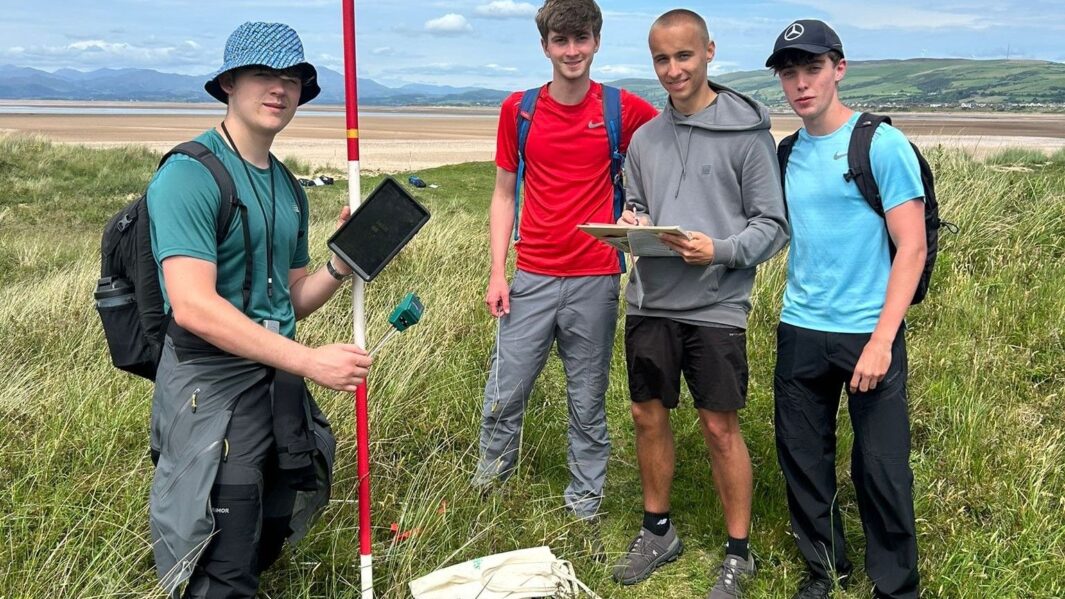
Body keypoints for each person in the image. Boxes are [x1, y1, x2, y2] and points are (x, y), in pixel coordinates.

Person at [146, 21, 373, 598]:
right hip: (209, 388)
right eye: (262, 76)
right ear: (228, 84)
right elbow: (194, 307)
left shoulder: (288, 188)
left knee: (270, 525)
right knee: (217, 551)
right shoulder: (189, 175)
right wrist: (310, 361)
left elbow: (290, 298)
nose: (279, 89)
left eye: (292, 78)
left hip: (275, 387)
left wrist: (340, 265)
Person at [610, 10, 788, 599]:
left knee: (718, 426)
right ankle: (657, 529)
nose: (672, 70)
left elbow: (773, 227)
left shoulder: (749, 136)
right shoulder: (645, 138)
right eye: (661, 59)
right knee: (646, 414)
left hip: (716, 307)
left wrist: (721, 250)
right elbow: (638, 202)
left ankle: (739, 552)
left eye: (683, 56)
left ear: (709, 51)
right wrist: (631, 223)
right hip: (650, 301)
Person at [473, 0, 658, 522]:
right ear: (545, 46)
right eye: (561, 40)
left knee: (587, 401)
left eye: (581, 39)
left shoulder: (625, 109)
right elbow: (504, 194)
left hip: (596, 279)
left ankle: (584, 505)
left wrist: (643, 215)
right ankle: (489, 491)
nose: (572, 50)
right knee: (504, 393)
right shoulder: (520, 109)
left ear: (596, 41)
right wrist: (496, 272)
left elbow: (675, 144)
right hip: (529, 275)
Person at [765, 19, 926, 599]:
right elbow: (768, 229)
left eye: (812, 68)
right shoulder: (787, 153)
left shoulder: (879, 143)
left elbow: (912, 246)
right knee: (804, 459)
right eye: (789, 73)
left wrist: (883, 340)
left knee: (881, 468)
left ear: (839, 68)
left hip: (867, 331)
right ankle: (824, 571)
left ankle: (895, 585)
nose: (801, 83)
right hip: (800, 327)